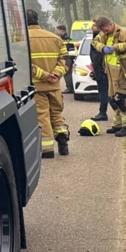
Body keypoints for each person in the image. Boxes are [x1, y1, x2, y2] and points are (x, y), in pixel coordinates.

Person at [28, 10, 70, 158]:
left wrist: (44, 76)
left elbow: (25, 64)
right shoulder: (56, 38)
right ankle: (63, 142)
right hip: (55, 86)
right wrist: (56, 74)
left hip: (38, 87)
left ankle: (47, 150)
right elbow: (65, 60)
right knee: (57, 115)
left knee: (43, 117)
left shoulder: (21, 40)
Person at [91, 16, 126, 137]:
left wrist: (116, 47)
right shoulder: (104, 34)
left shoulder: (124, 33)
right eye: (102, 31)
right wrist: (103, 48)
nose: (104, 32)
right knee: (112, 99)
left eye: (105, 30)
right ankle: (118, 124)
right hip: (111, 71)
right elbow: (95, 42)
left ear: (110, 25)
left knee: (122, 98)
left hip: (125, 71)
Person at [87, 22, 110, 121]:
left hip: (103, 70)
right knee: (103, 92)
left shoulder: (102, 38)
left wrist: (97, 68)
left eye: (95, 25)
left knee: (106, 93)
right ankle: (103, 112)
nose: (93, 27)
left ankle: (103, 112)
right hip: (100, 69)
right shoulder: (95, 38)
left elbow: (98, 55)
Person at [57, 24, 75, 92]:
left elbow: (70, 49)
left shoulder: (65, 39)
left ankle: (70, 88)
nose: (58, 31)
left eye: (58, 30)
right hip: (68, 57)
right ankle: (70, 87)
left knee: (67, 73)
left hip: (67, 57)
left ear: (62, 30)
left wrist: (70, 58)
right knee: (67, 73)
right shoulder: (65, 38)